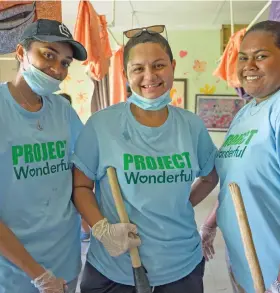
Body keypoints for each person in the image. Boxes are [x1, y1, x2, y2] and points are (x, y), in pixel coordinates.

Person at [72, 26, 219, 293]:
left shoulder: (191, 126)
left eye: (159, 65)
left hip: (181, 264)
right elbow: (80, 186)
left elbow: (210, 176)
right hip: (114, 267)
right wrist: (103, 229)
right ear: (125, 74)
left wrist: (179, 204)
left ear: (172, 66)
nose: (149, 76)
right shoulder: (102, 125)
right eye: (138, 68)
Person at [200, 20, 280, 293]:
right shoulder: (247, 111)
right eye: (243, 57)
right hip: (247, 268)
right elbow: (237, 180)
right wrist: (210, 224)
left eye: (261, 56)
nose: (249, 66)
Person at [0, 19, 87, 293]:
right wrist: (38, 275)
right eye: (48, 54)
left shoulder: (63, 110)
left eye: (65, 63)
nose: (57, 69)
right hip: (14, 274)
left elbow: (85, 169)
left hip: (66, 262)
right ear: (21, 53)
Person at [59, 92, 91, 242]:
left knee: (76, 201)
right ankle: (85, 230)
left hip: (72, 168)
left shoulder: (69, 120)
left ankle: (86, 230)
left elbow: (83, 144)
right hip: (64, 169)